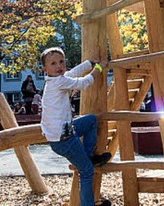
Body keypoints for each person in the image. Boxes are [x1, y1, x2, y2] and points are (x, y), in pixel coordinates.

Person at [40, 47, 112, 206]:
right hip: (63, 140)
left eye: (61, 62)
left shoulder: (56, 79)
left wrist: (88, 64)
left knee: (91, 120)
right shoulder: (59, 82)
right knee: (86, 171)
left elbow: (71, 74)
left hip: (65, 131)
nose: (59, 66)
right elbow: (83, 83)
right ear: (45, 69)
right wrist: (99, 67)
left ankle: (89, 156)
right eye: (53, 63)